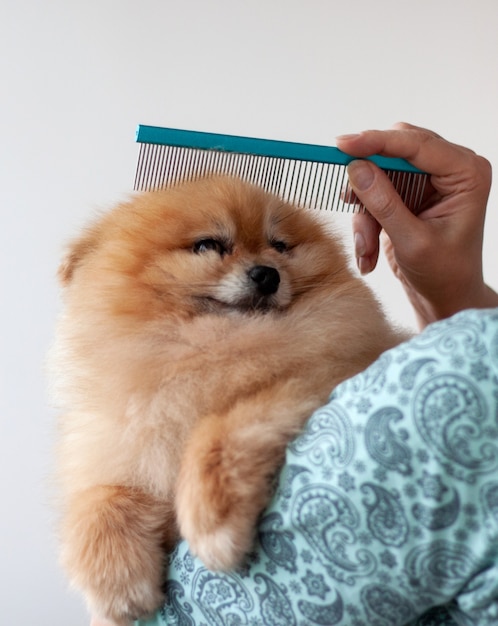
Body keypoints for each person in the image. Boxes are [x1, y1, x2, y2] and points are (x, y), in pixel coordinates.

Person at [91, 124, 498, 626]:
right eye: (209, 245)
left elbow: (351, 388)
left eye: (282, 246)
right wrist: (106, 515)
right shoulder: (462, 372)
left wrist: (232, 446)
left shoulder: (456, 376)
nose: (263, 267)